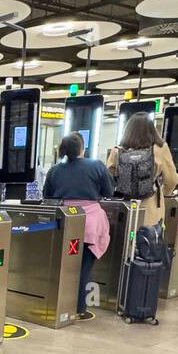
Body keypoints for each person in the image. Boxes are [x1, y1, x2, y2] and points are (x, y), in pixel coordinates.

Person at [44, 132, 114, 315]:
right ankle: (79, 307)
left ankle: (59, 304)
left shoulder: (55, 170)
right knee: (83, 266)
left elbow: (47, 196)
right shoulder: (96, 166)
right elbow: (109, 191)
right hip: (90, 224)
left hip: (64, 222)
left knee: (64, 265)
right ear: (83, 148)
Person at [105, 111, 178, 223]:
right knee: (149, 237)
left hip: (124, 207)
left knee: (125, 237)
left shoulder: (118, 151)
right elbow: (172, 179)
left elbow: (108, 178)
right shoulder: (160, 148)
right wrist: (164, 193)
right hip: (151, 207)